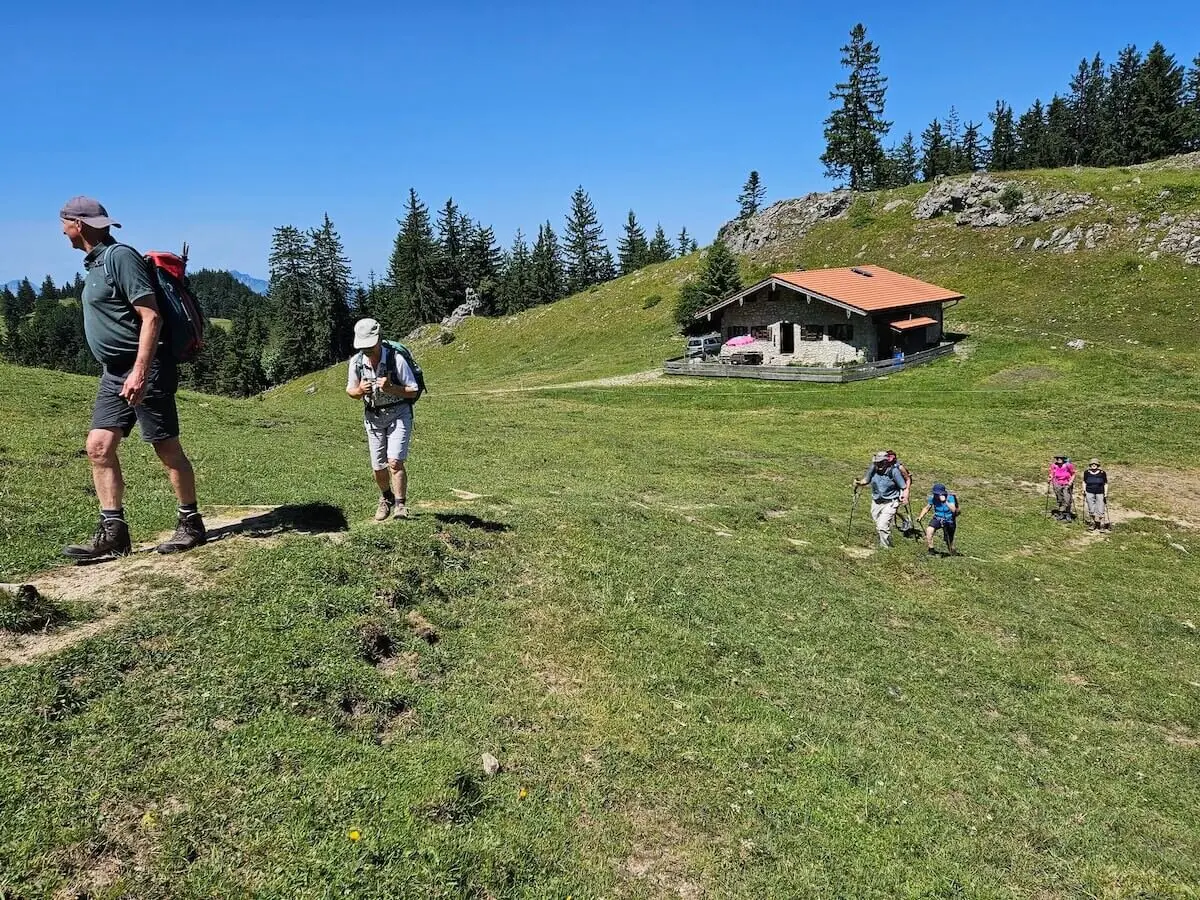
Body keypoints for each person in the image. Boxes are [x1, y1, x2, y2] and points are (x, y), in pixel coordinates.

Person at [59, 197, 205, 561]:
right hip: (113, 373)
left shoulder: (120, 258)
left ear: (78, 224)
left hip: (144, 369)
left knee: (165, 447)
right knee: (98, 447)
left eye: (64, 223)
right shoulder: (95, 264)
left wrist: (140, 372)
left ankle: (191, 523)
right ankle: (114, 534)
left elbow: (151, 317)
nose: (62, 230)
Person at [346, 318, 419, 520]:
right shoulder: (357, 362)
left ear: (378, 339)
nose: (367, 350)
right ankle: (386, 497)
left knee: (394, 462)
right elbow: (350, 391)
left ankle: (400, 506)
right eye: (363, 346)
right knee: (378, 466)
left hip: (399, 414)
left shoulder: (396, 359)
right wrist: (360, 390)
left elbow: (413, 390)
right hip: (374, 417)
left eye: (370, 345)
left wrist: (391, 388)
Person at [854, 451, 907, 548]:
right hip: (876, 501)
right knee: (879, 525)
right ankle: (888, 543)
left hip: (890, 502)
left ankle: (885, 549)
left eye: (881, 462)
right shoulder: (873, 468)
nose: (879, 464)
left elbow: (903, 486)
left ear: (886, 462)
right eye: (877, 462)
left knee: (882, 526)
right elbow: (866, 480)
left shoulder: (894, 471)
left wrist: (904, 496)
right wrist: (859, 483)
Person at [917, 482, 959, 556]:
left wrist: (945, 501)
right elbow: (927, 508)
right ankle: (931, 549)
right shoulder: (932, 498)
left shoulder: (950, 498)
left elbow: (953, 510)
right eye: (935, 493)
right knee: (929, 530)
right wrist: (920, 516)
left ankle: (952, 552)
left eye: (938, 493)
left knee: (948, 540)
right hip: (938, 518)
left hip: (949, 520)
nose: (936, 495)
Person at [1082, 457, 1110, 531]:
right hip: (1089, 491)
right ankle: (1093, 523)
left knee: (1101, 508)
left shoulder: (1102, 473)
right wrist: (1084, 490)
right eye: (1092, 464)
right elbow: (1084, 482)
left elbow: (1105, 483)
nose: (1093, 465)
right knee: (1091, 508)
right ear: (1090, 465)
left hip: (1100, 492)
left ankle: (1102, 524)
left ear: (1098, 465)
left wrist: (1106, 493)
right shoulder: (1087, 472)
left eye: (1095, 464)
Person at [1048, 454, 1077, 521]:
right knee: (1060, 499)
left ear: (1064, 459)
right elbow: (1052, 473)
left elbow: (1073, 473)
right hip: (1057, 483)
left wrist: (1071, 481)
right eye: (1057, 458)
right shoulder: (1054, 465)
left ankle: (1068, 513)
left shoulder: (1068, 465)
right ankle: (1061, 513)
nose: (1059, 459)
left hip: (1067, 484)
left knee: (1067, 499)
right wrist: (1050, 478)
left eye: (1060, 458)